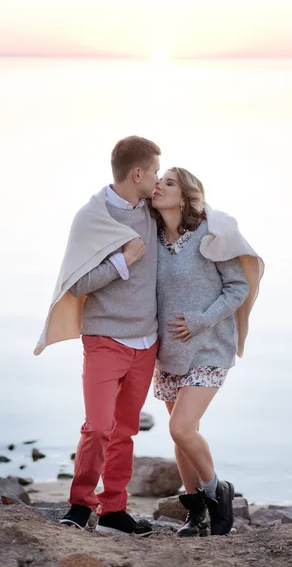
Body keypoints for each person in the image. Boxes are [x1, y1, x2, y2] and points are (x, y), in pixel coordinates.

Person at [34, 136, 161, 535]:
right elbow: (78, 284)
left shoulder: (154, 212)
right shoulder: (92, 216)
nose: (158, 180)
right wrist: (123, 262)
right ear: (137, 173)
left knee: (125, 430)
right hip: (105, 337)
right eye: (155, 171)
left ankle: (113, 513)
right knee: (99, 427)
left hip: (147, 341)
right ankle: (79, 505)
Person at [151, 167, 264, 537]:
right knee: (182, 435)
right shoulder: (149, 236)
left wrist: (200, 320)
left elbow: (237, 287)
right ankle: (195, 513)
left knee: (180, 427)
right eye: (158, 179)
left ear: (184, 196)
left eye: (168, 182)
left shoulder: (210, 236)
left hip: (210, 348)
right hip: (168, 354)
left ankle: (218, 492)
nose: (159, 185)